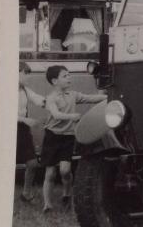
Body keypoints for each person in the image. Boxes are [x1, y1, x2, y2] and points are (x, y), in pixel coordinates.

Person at [40, 65, 105, 212]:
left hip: (68, 136)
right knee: (50, 173)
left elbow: (91, 98)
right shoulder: (51, 99)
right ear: (55, 81)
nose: (69, 78)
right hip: (52, 137)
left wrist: (107, 97)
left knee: (65, 170)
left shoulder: (73, 95)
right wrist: (72, 116)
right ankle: (47, 204)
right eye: (65, 76)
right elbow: (56, 115)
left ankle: (67, 194)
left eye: (69, 75)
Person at [17, 62, 46, 202]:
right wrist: (24, 120)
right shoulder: (4, 90)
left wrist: (53, 103)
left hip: (22, 131)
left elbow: (39, 100)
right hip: (8, 131)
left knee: (33, 163)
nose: (28, 78)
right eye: (25, 74)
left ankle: (26, 193)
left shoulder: (25, 90)